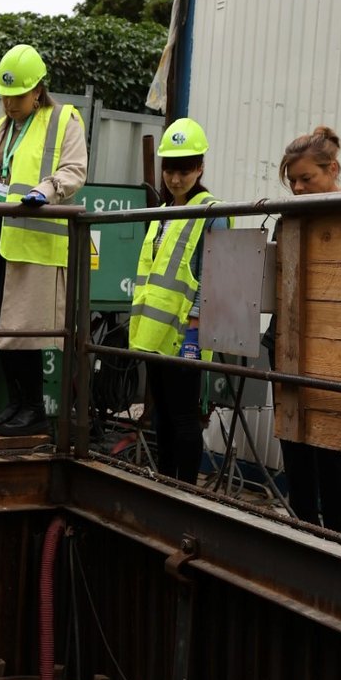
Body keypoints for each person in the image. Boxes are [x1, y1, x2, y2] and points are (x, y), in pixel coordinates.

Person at [0, 43, 87, 436]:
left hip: (32, 243)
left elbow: (75, 169)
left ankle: (34, 409)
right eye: (5, 96)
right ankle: (15, 403)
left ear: (38, 89)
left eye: (17, 95)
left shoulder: (63, 120)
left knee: (25, 329)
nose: (9, 103)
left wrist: (48, 190)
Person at [129, 118, 230, 485]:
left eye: (185, 169)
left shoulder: (211, 212)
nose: (175, 177)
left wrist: (196, 324)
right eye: (170, 168)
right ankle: (166, 483)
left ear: (200, 167)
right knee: (163, 417)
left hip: (185, 334)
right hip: (154, 334)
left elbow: (211, 275)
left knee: (185, 416)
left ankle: (185, 491)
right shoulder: (162, 212)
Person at [268, 126, 341, 530]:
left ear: (332, 168)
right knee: (296, 453)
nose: (297, 188)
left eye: (306, 179)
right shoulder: (289, 220)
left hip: (335, 353)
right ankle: (301, 533)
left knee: (334, 462)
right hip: (287, 348)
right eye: (292, 180)